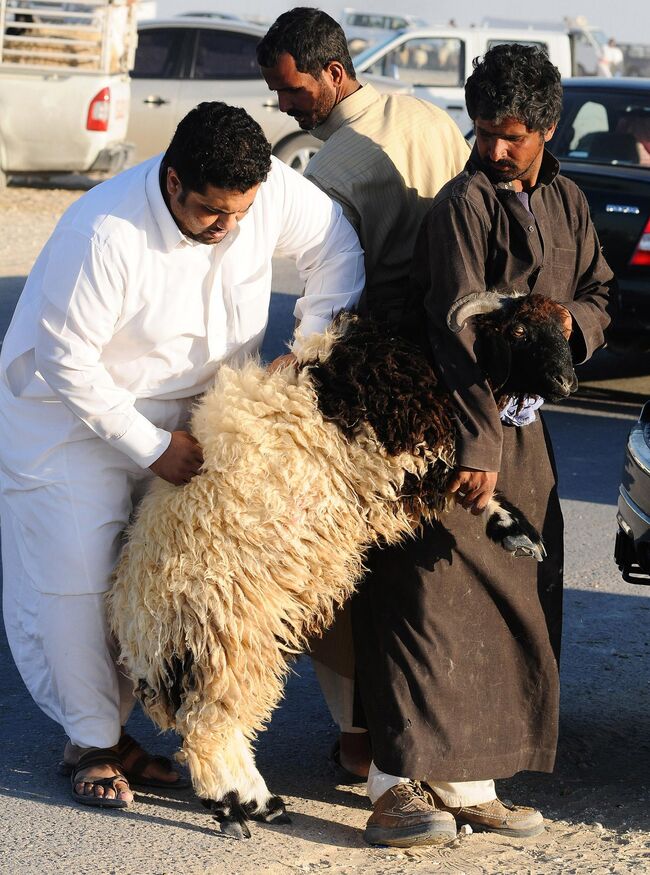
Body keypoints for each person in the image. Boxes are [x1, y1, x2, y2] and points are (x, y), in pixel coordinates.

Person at [0, 101, 364, 809]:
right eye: (209, 212)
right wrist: (149, 445)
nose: (227, 227)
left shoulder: (263, 192)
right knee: (78, 577)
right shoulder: (102, 231)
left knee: (180, 576)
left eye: (240, 212)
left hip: (200, 410)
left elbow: (335, 247)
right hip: (73, 419)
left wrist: (308, 348)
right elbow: (66, 360)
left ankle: (149, 725)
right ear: (172, 183)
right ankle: (94, 744)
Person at [349, 43, 613, 847]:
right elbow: (454, 326)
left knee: (511, 605)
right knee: (424, 605)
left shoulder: (567, 199)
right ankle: (395, 788)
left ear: (546, 127)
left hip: (524, 437)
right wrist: (478, 448)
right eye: (483, 131)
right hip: (450, 431)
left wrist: (574, 325)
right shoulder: (463, 204)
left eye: (510, 135)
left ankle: (471, 784)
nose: (492, 149)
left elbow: (600, 291)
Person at [257, 6, 470, 786]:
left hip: (371, 386)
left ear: (334, 74)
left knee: (338, 563)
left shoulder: (336, 169)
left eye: (290, 89)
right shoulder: (432, 118)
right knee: (426, 561)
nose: (283, 105)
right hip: (448, 373)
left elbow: (336, 299)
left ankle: (356, 736)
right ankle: (436, 725)